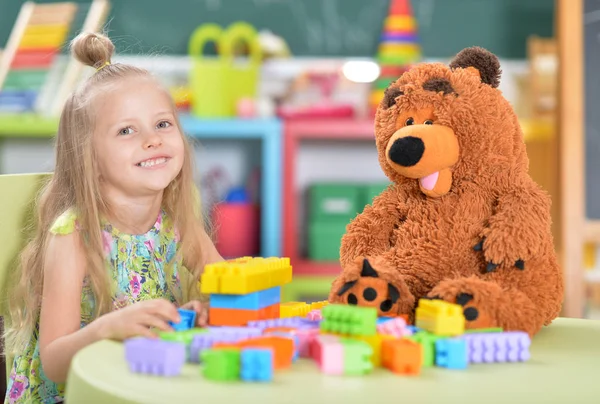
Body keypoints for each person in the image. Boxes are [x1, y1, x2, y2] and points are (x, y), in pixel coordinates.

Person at [2, 31, 223, 404]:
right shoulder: (73, 235)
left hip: (141, 384)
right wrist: (107, 329)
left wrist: (206, 310)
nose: (152, 139)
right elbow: (54, 362)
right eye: (126, 130)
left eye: (163, 124)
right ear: (89, 157)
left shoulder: (178, 220)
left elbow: (230, 286)